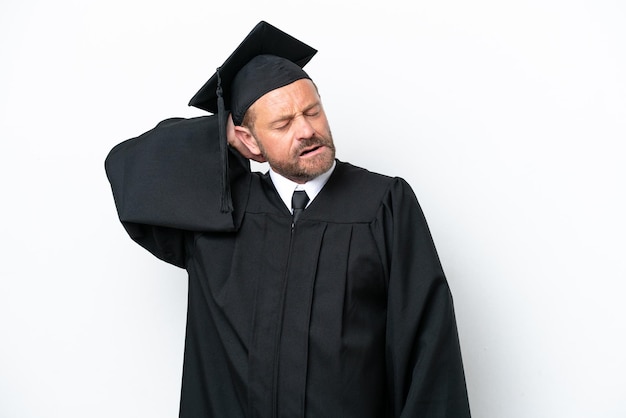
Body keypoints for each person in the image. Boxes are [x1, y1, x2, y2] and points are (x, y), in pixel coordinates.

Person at [105, 21, 471, 418]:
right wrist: (220, 135)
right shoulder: (219, 212)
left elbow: (429, 349)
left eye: (312, 111)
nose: (307, 131)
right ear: (249, 140)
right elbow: (130, 168)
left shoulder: (383, 204)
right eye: (282, 123)